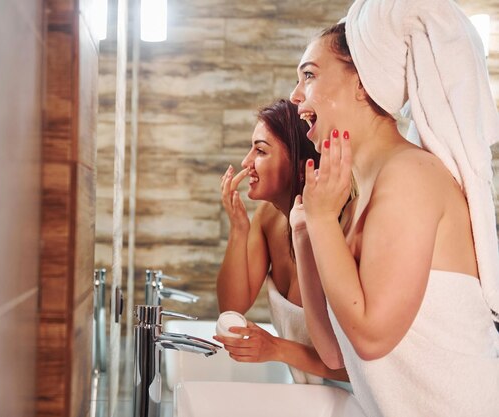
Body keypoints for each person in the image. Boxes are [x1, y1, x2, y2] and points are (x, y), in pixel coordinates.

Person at [289, 2, 499, 415]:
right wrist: (306, 232)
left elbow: (371, 338)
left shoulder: (410, 176)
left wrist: (320, 219)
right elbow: (335, 352)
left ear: (363, 84)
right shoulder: (353, 200)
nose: (296, 95)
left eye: (309, 75)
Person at [213, 98, 348, 384]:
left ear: (303, 166)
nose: (246, 162)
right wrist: (238, 228)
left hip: (350, 402)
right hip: (309, 399)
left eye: (260, 151)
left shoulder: (336, 231)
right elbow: (232, 305)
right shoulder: (268, 218)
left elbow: (362, 370)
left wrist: (275, 348)